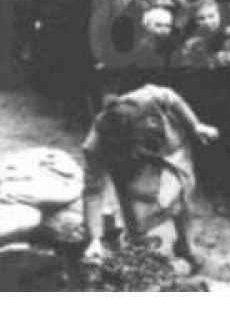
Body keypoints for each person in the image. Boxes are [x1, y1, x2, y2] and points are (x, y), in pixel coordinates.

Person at [81, 84, 218, 272]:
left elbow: (172, 97)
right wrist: (95, 239)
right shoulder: (95, 147)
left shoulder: (149, 98)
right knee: (138, 214)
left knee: (180, 195)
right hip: (131, 172)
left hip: (170, 149)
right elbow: (93, 192)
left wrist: (195, 124)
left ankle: (186, 247)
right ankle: (141, 255)